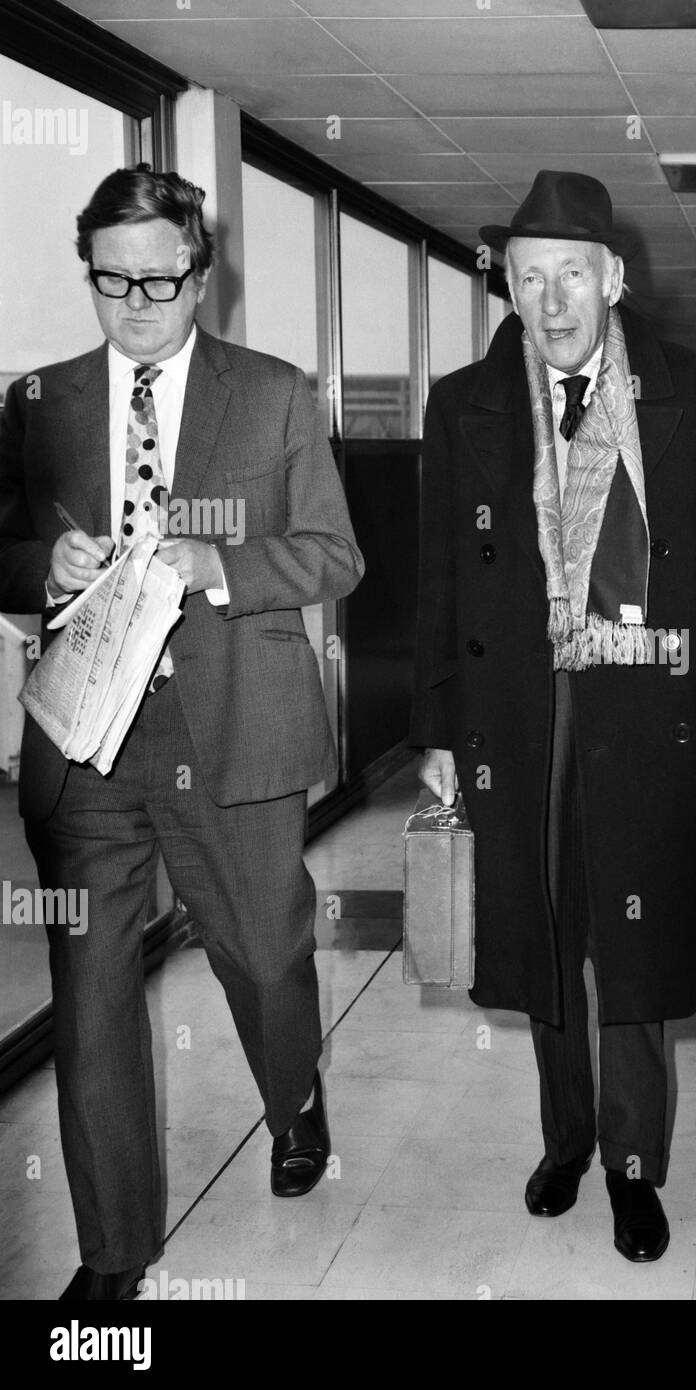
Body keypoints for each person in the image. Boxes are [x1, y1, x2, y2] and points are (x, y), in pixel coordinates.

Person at [409, 170, 696, 1264]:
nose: (551, 298)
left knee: (630, 940)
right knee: (543, 932)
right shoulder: (461, 403)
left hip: (656, 704)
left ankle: (631, 1164)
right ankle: (564, 1138)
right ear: (510, 288)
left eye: (571, 273)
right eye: (529, 278)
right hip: (519, 707)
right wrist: (437, 726)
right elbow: (442, 576)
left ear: (613, 279)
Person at [0, 166, 364, 1300]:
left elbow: (334, 555)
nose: (137, 301)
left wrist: (219, 565)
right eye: (112, 279)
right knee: (95, 995)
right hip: (89, 742)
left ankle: (293, 1093)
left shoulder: (276, 393)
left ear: (202, 274)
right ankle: (113, 1255)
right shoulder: (36, 403)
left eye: (161, 277)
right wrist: (37, 568)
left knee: (265, 956)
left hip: (238, 731)